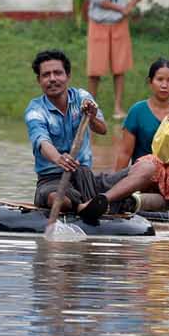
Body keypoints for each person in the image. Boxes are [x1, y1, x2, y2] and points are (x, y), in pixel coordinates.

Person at [25, 49, 149, 222]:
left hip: (87, 178)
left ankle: (102, 200)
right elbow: (42, 142)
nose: (52, 78)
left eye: (58, 73)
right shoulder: (35, 110)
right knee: (57, 200)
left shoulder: (82, 97)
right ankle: (83, 206)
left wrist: (91, 116)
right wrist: (59, 159)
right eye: (46, 75)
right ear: (39, 80)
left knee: (148, 167)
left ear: (67, 75)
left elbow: (102, 129)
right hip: (53, 180)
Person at [116, 58, 169, 211]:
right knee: (152, 162)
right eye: (159, 79)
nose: (164, 85)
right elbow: (125, 153)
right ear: (150, 82)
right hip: (146, 175)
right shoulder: (137, 110)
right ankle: (140, 196)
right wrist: (116, 186)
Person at [84, 0, 148, 118]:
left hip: (119, 25)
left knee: (119, 68)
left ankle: (118, 108)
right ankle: (90, 108)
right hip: (98, 25)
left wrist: (131, 4)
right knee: (95, 69)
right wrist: (122, 8)